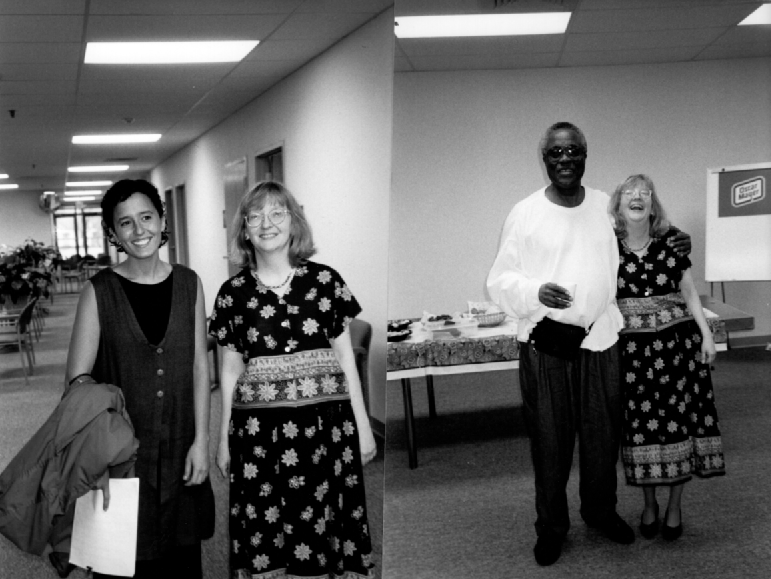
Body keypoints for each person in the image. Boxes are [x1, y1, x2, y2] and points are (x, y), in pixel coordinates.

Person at [486, 122, 691, 566]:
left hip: (601, 340)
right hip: (547, 346)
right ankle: (551, 528)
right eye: (555, 153)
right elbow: (498, 281)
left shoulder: (604, 206)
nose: (564, 159)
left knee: (602, 437)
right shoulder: (524, 213)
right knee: (550, 442)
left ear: (584, 155)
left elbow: (643, 231)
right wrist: (536, 291)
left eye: (572, 151)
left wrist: (675, 238)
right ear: (545, 159)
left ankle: (600, 512)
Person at [209, 181, 377, 579]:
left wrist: (364, 426)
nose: (266, 223)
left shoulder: (325, 282)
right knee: (267, 529)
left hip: (325, 430)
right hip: (259, 438)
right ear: (245, 229)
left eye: (277, 213)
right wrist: (222, 439)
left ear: (294, 221)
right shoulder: (232, 294)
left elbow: (344, 359)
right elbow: (230, 368)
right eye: (255, 215)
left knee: (324, 520)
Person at [66, 179, 214, 578]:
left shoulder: (189, 283)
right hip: (122, 457)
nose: (139, 230)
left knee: (181, 562)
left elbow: (201, 366)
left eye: (146, 217)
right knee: (122, 563)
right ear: (113, 233)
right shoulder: (98, 292)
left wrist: (202, 441)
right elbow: (77, 382)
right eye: (126, 223)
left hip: (181, 445)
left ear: (162, 219)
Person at [611, 174, 725, 541]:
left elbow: (691, 294)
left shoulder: (672, 243)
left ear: (653, 204)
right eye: (629, 192)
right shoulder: (607, 248)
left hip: (677, 352)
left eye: (645, 192)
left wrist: (707, 336)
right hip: (633, 357)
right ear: (618, 204)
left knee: (680, 426)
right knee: (642, 430)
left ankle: (674, 506)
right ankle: (649, 504)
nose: (637, 197)